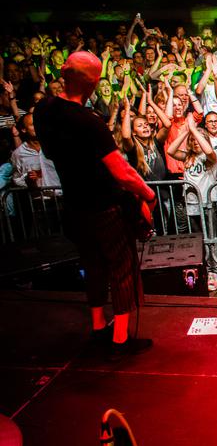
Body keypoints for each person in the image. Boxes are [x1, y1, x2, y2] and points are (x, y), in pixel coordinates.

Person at [33, 52, 157, 360]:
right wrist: (148, 195)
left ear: (64, 73)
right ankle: (120, 339)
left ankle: (99, 326)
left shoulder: (43, 110)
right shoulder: (89, 121)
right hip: (105, 207)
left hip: (74, 205)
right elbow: (122, 172)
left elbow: (51, 153)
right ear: (93, 83)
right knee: (123, 268)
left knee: (93, 265)